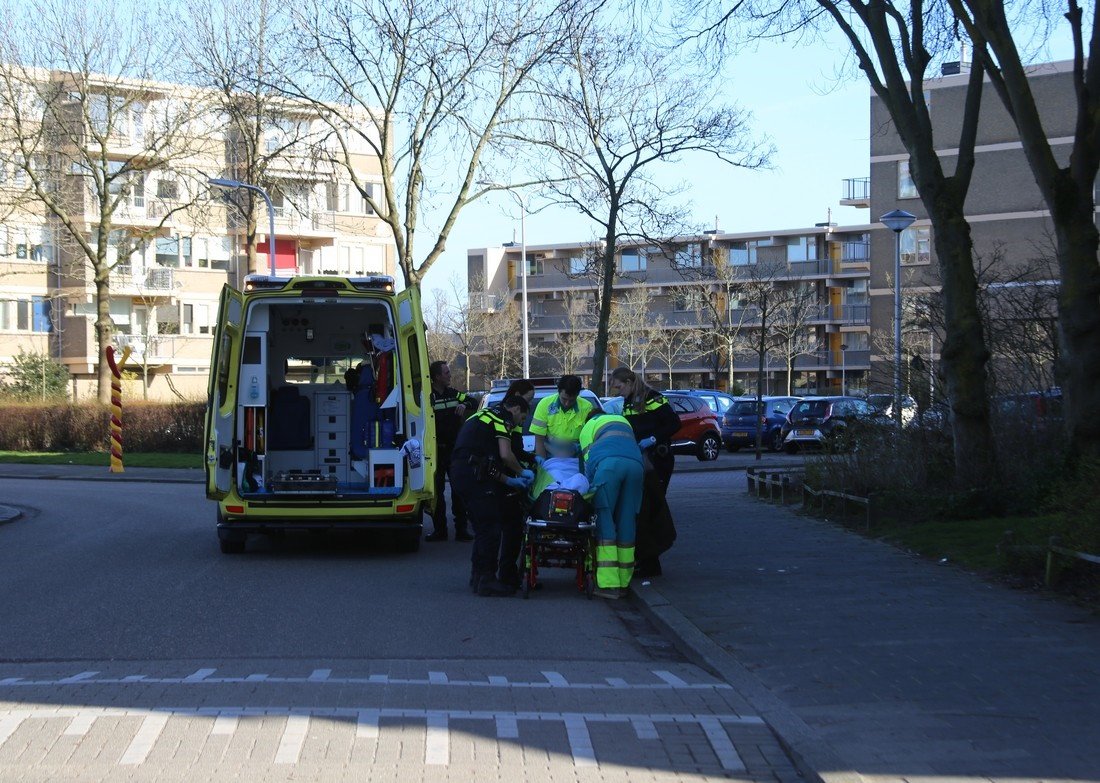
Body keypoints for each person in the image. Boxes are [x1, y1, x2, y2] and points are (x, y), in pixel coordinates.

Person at [450, 393, 534, 597]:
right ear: (514, 409)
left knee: (482, 527)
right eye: (521, 418)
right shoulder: (501, 417)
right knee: (491, 526)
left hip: (463, 472)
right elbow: (505, 455)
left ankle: (477, 576)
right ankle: (487, 580)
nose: (518, 424)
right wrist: (522, 472)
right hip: (472, 474)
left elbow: (488, 466)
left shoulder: (481, 415)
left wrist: (509, 481)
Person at [607, 367, 680, 577]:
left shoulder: (652, 398)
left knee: (649, 509)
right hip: (641, 460)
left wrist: (653, 439)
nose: (618, 392)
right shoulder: (629, 401)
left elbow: (674, 423)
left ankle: (650, 562)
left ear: (630, 382)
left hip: (658, 460)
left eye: (620, 387)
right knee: (641, 510)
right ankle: (647, 560)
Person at [579, 412, 644, 599]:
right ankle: (624, 581)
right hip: (636, 466)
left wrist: (589, 494)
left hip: (608, 467)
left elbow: (588, 466)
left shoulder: (587, 427)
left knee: (604, 519)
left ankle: (609, 584)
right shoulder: (623, 421)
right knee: (627, 520)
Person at [426, 361, 471, 542]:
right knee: (437, 493)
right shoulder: (428, 396)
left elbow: (473, 401)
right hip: (436, 451)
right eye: (446, 373)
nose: (450, 376)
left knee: (458, 491)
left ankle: (462, 530)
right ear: (437, 376)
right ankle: (440, 531)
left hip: (454, 450)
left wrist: (464, 404)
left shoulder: (454, 394)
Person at [497, 379, 536, 588]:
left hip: (505, 475)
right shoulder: (505, 417)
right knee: (510, 529)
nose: (528, 405)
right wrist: (520, 471)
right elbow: (508, 452)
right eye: (528, 400)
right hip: (504, 478)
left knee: (509, 529)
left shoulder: (504, 414)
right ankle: (507, 577)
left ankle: (509, 575)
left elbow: (517, 449)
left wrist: (531, 459)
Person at [530, 374, 593, 460]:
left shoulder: (587, 408)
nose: (567, 403)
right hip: (551, 458)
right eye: (564, 399)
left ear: (578, 394)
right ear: (558, 391)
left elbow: (589, 440)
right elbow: (539, 440)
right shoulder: (545, 405)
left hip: (576, 459)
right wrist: (543, 465)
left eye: (571, 400)